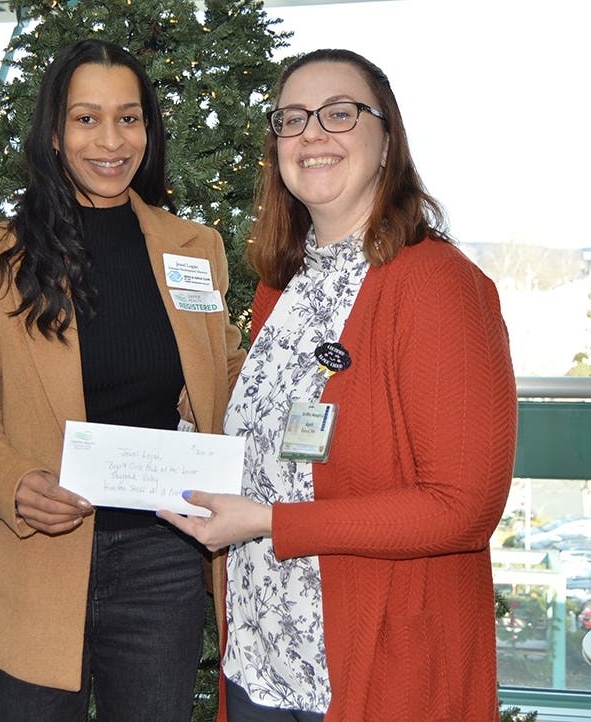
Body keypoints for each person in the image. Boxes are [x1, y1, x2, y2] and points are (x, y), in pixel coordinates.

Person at [159, 49, 518, 721]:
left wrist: (270, 522)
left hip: (377, 662)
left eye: (340, 113)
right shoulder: (282, 283)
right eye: (292, 118)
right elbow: (290, 437)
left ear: (386, 142)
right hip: (261, 655)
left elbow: (463, 506)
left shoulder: (438, 286)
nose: (312, 134)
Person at [0, 39, 245, 721]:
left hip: (162, 556)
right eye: (86, 119)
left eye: (128, 118)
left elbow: (226, 371)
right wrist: (14, 483)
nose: (111, 140)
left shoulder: (196, 248)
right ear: (53, 133)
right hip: (36, 550)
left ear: (148, 129)